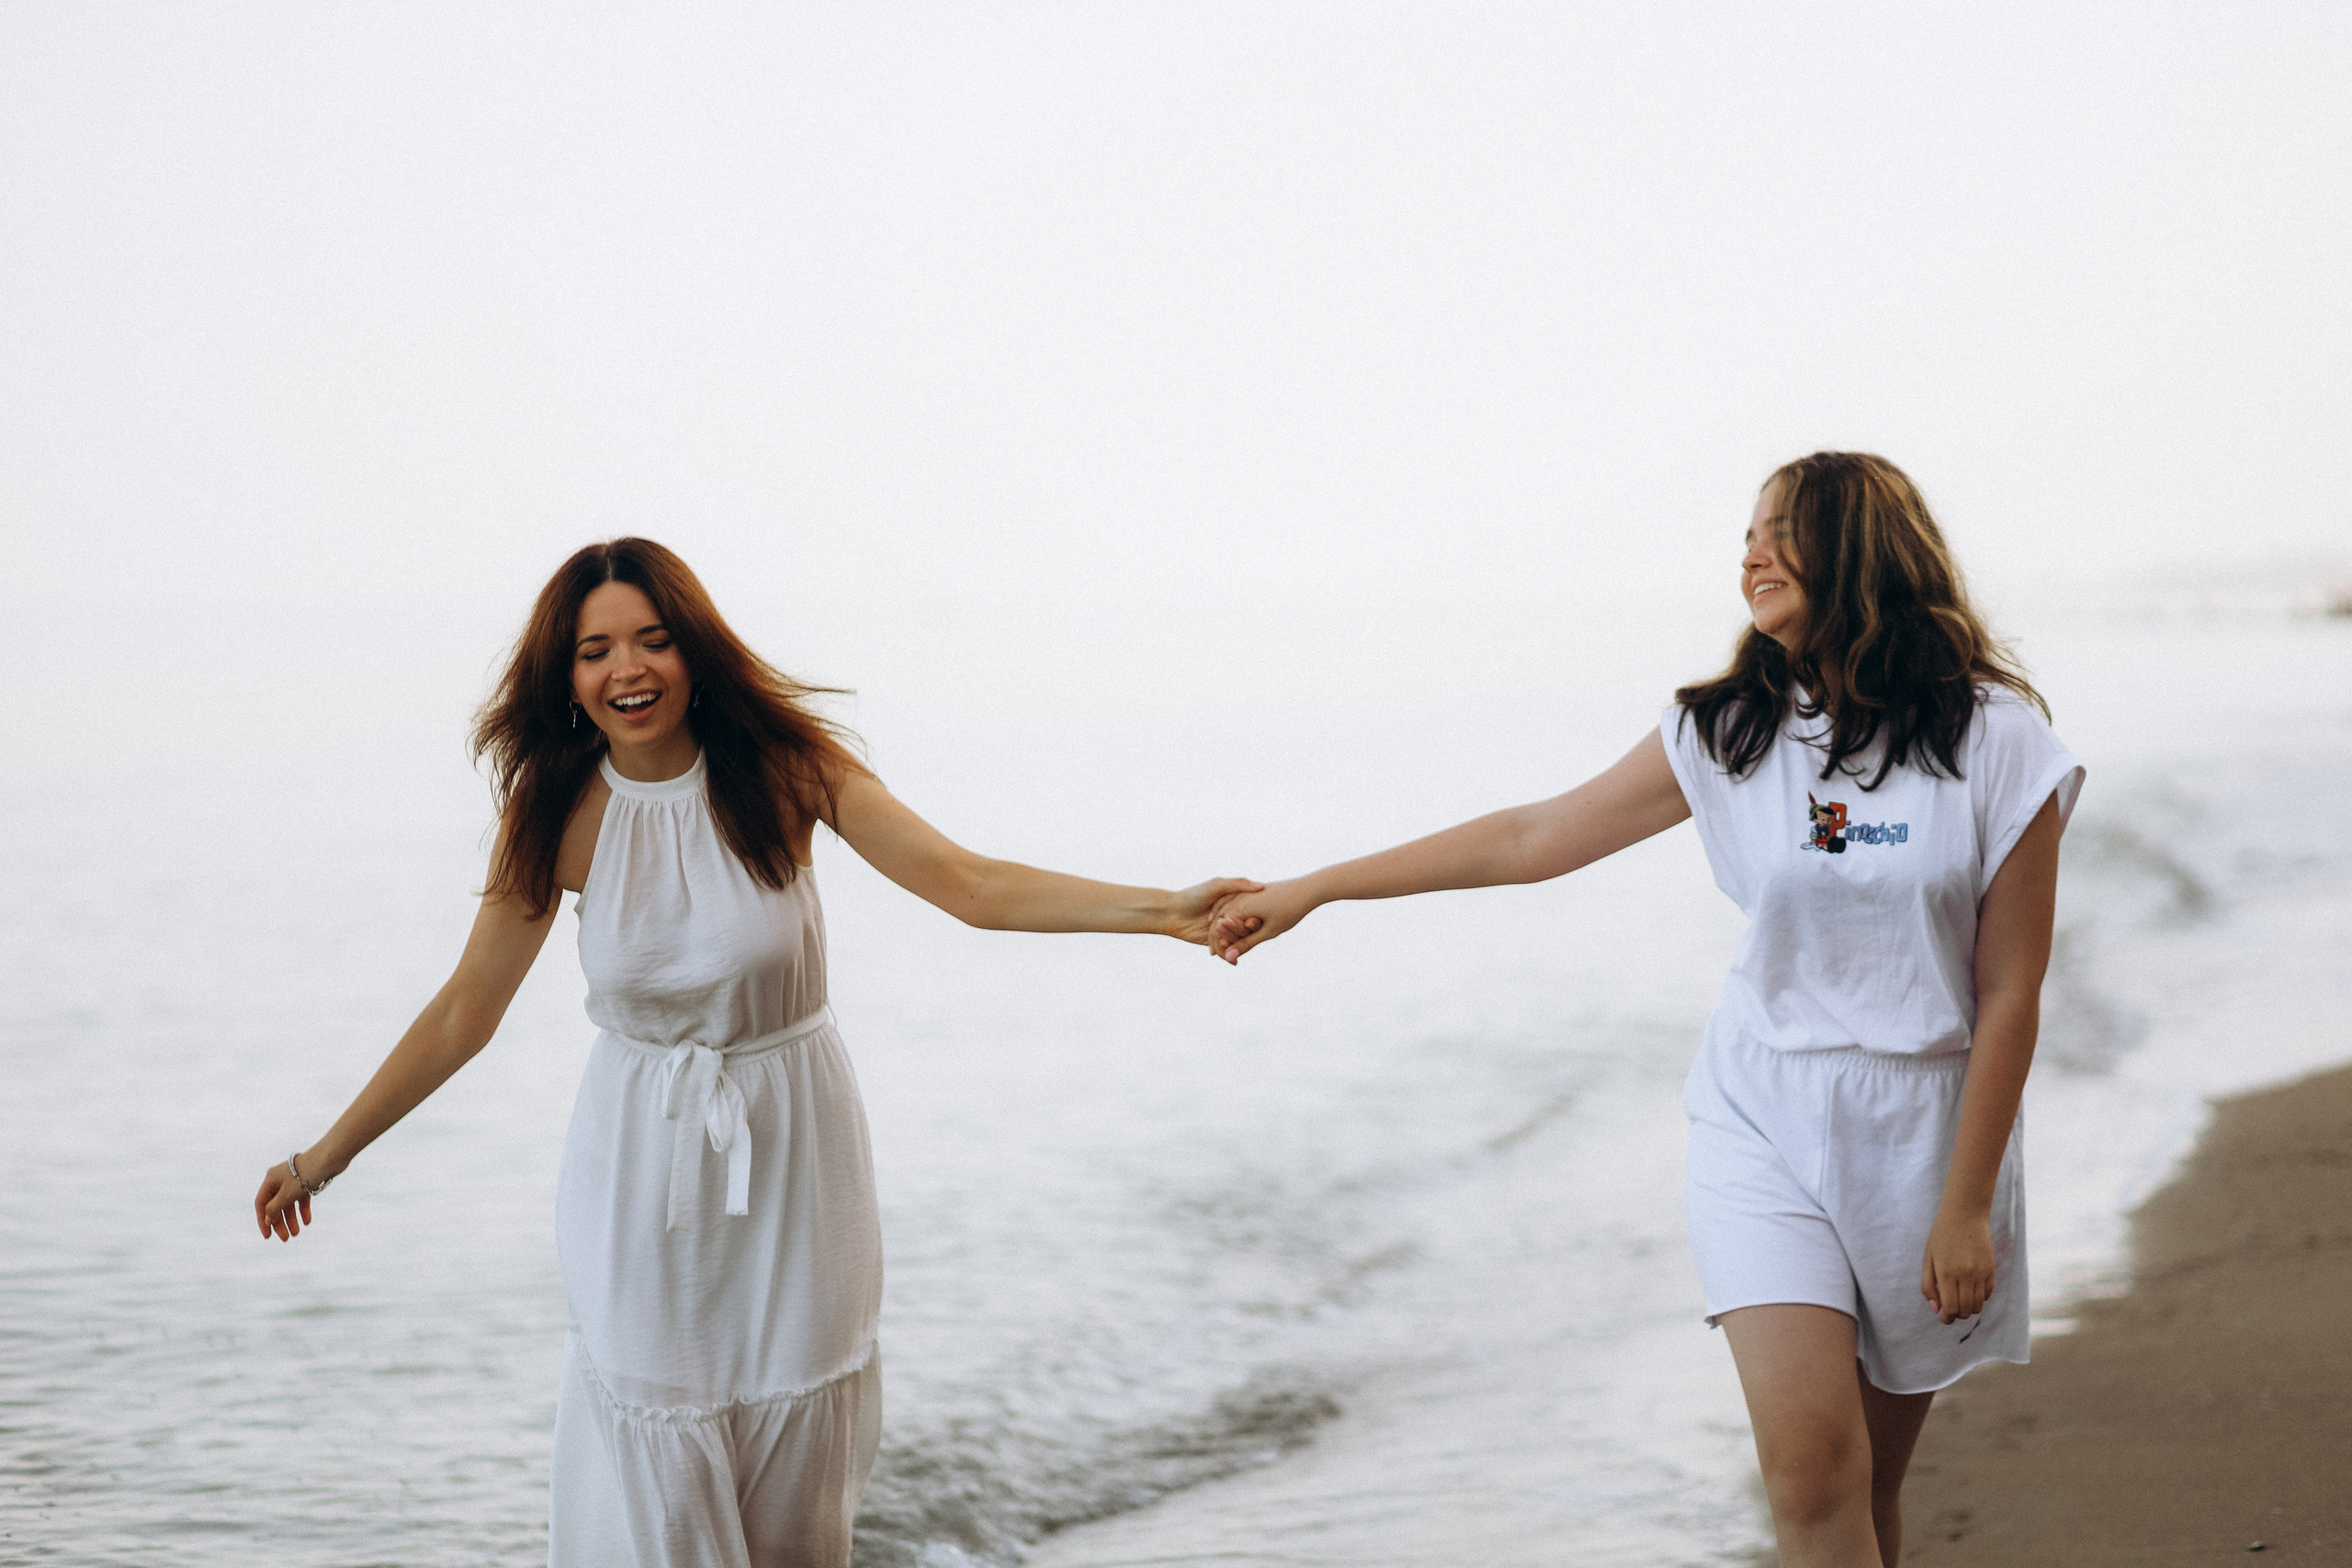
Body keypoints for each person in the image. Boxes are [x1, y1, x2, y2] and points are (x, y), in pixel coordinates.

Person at [253, 538, 1260, 1568]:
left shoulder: (784, 770)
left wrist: (1165, 913)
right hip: (640, 1162)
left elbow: (970, 885)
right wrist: (326, 1155)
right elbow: (467, 1010)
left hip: (795, 1148)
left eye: (653, 640)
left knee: (791, 1480)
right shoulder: (556, 811)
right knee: (655, 1454)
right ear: (567, 677)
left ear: (694, 649)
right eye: (597, 651)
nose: (628, 670)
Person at [1209, 452, 2082, 1568]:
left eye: (1780, 532)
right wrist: (1316, 886)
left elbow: (2010, 992)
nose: (1749, 554)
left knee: (1866, 1490)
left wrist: (1962, 1207)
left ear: (1859, 549)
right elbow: (1530, 838)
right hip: (1760, 1118)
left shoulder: (1996, 741)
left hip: (1923, 1136)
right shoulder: (1730, 731)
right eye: (1747, 535)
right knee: (1812, 1478)